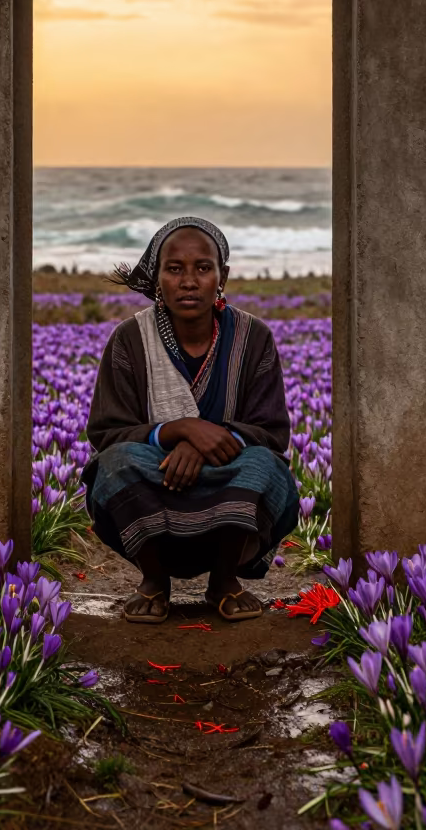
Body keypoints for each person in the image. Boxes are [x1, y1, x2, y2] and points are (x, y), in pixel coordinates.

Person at [82, 217, 299, 624]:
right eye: (174, 268)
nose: (188, 281)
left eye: (202, 268)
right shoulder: (129, 340)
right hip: (156, 490)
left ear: (223, 276)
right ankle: (154, 581)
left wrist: (206, 442)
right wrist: (176, 431)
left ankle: (223, 581)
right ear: (158, 277)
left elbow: (270, 432)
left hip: (230, 495)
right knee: (113, 465)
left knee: (264, 465)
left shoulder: (255, 337)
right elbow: (107, 433)